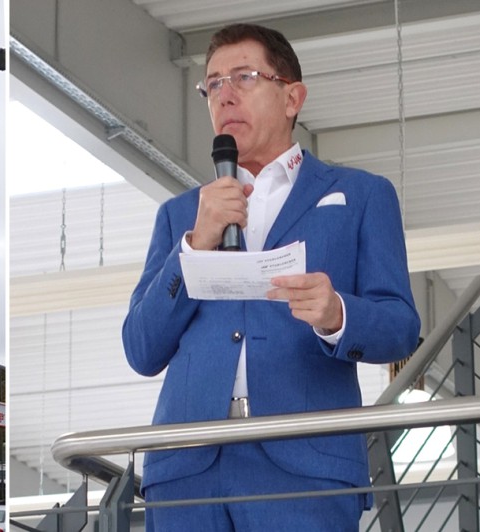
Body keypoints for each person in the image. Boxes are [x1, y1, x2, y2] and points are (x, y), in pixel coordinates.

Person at [122, 22, 420, 531]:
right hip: (186, 473)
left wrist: (337, 314)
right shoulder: (181, 217)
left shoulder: (362, 195)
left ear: (292, 98)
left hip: (306, 469)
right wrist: (193, 246)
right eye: (213, 84)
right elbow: (141, 348)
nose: (225, 94)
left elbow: (401, 327)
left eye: (244, 77)